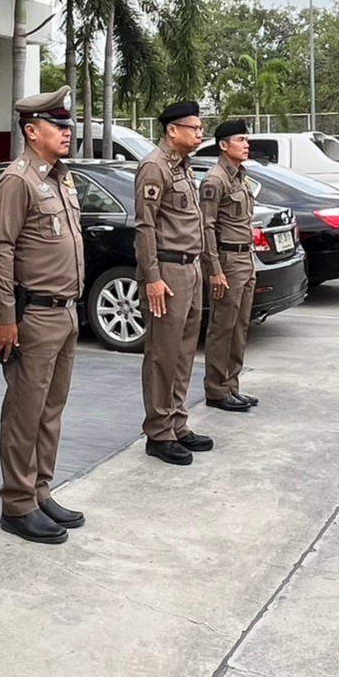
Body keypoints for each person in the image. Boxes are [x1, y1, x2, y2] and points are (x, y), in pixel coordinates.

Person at [0, 89, 89, 546]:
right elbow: (0, 251)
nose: (67, 132)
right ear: (31, 131)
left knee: (50, 410)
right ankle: (17, 503)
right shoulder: (18, 180)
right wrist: (4, 317)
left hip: (65, 313)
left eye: (68, 125)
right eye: (58, 126)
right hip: (34, 315)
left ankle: (39, 490)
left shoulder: (61, 178)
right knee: (24, 413)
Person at [135, 100, 211, 465]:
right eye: (194, 128)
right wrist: (152, 277)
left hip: (189, 268)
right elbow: (145, 226)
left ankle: (177, 422)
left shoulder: (183, 166)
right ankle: (159, 432)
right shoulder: (155, 166)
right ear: (172, 130)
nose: (200, 133)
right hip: (167, 271)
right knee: (162, 354)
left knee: (183, 353)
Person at [199, 118, 261, 414]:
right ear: (223, 146)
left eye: (246, 140)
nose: (246, 145)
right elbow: (206, 227)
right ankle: (216, 389)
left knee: (239, 326)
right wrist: (215, 269)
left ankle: (231, 385)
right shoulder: (215, 180)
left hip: (245, 259)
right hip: (227, 260)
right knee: (222, 327)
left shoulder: (240, 177)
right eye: (240, 140)